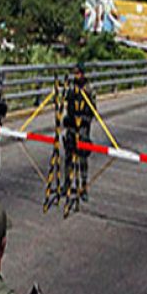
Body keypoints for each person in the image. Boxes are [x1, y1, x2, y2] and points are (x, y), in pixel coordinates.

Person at [62, 63, 95, 200]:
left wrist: (84, 120)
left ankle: (83, 186)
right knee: (69, 156)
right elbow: (66, 103)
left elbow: (93, 110)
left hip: (82, 128)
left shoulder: (88, 89)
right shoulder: (71, 88)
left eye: (78, 73)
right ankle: (67, 184)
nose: (76, 76)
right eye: (74, 73)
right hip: (71, 126)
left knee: (82, 159)